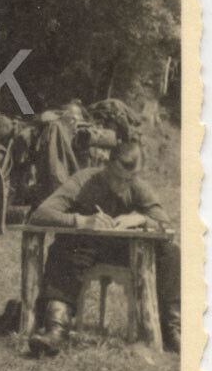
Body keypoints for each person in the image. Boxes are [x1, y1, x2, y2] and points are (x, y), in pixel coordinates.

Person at [27, 140, 180, 356]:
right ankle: (56, 328)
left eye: (129, 179)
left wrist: (139, 218)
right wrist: (80, 221)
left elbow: (166, 224)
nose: (122, 186)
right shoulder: (84, 180)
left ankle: (173, 329)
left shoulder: (136, 186)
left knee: (171, 252)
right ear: (107, 166)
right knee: (63, 246)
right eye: (117, 178)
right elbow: (40, 214)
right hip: (86, 249)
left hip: (124, 252)